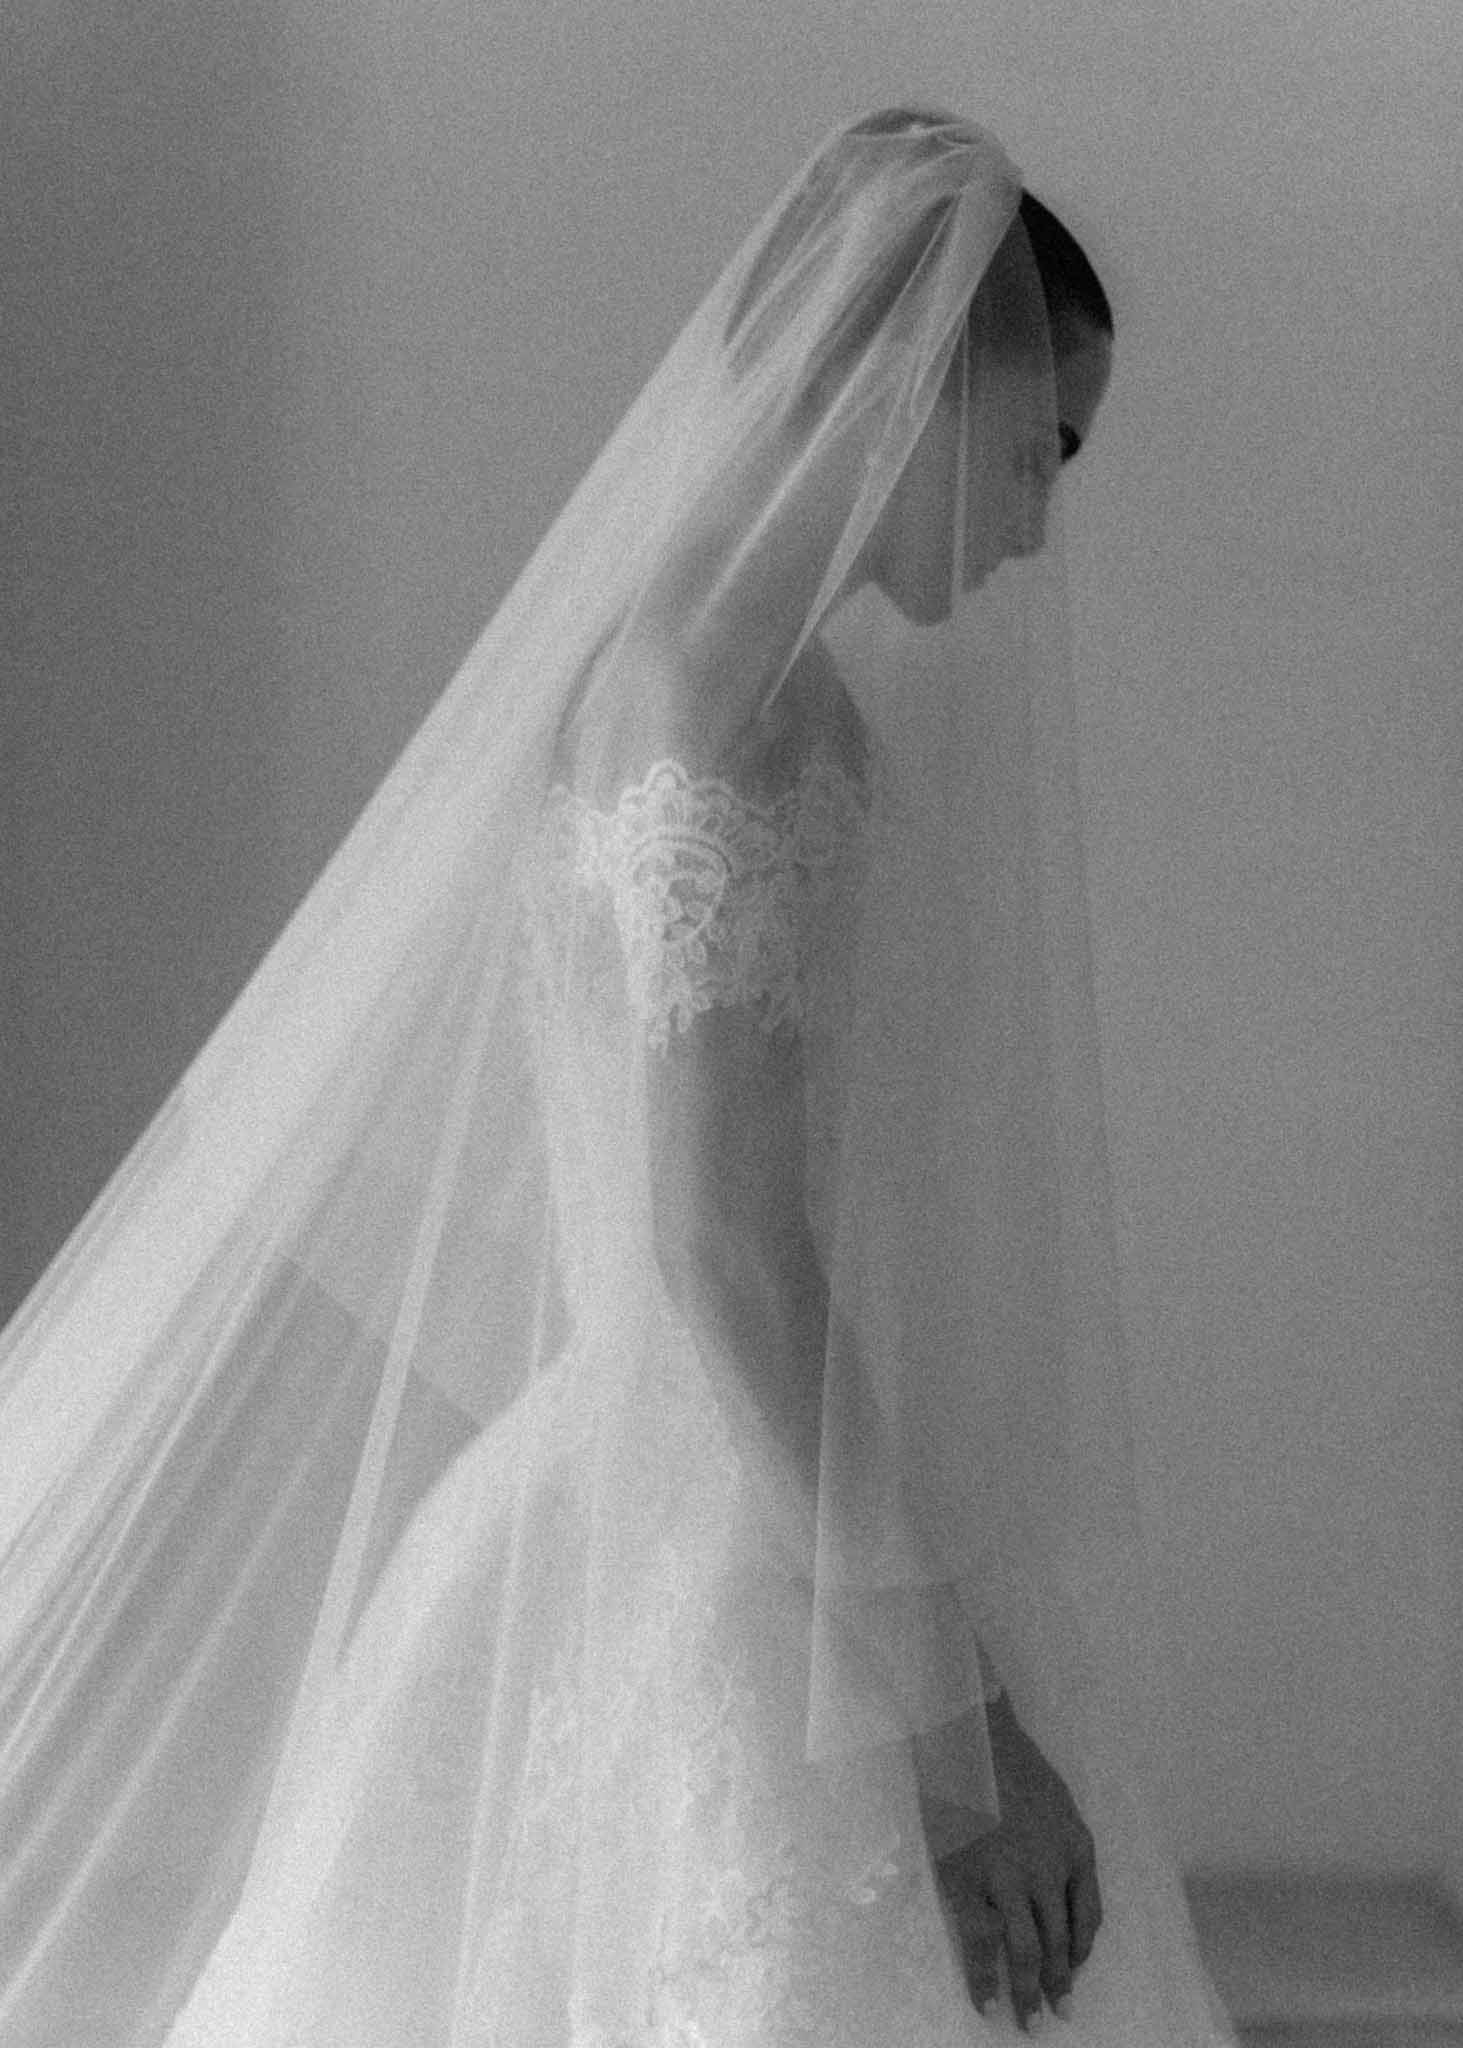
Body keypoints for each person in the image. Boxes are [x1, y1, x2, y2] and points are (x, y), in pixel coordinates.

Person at [0, 109, 1238, 2045]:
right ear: (919, 385)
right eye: (1034, 450)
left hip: (710, 1508)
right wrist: (952, 1724)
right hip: (728, 1559)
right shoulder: (717, 715)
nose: (1032, 525)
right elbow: (725, 1252)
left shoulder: (744, 689)